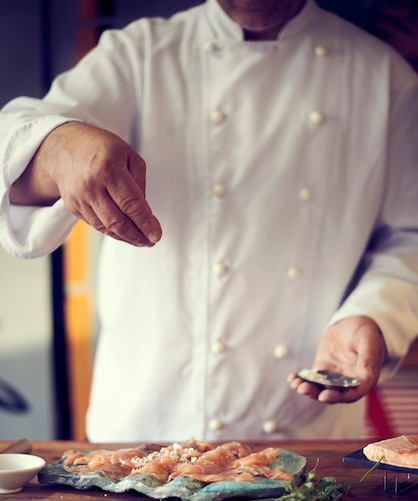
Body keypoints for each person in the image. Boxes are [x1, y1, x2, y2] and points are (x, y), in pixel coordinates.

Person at [0, 0, 418, 448]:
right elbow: (13, 140)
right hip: (145, 428)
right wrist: (61, 148)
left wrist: (372, 314)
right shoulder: (140, 53)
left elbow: (408, 237)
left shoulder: (385, 78)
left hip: (305, 434)